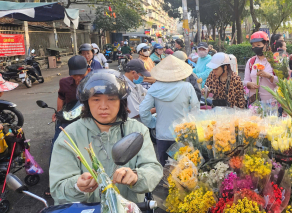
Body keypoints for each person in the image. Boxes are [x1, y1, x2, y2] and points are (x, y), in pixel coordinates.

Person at [49, 70, 163, 205]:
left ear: (122, 102)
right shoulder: (69, 136)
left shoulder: (137, 130)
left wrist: (136, 177)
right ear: (86, 103)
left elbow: (153, 170)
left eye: (111, 99)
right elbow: (58, 189)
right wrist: (77, 186)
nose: (103, 106)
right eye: (96, 99)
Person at [139, 56, 199, 165]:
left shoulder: (155, 88)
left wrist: (153, 123)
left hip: (162, 135)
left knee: (165, 168)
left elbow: (143, 110)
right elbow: (195, 109)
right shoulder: (187, 87)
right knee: (183, 170)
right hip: (182, 134)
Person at [244, 31, 278, 103]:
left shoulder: (275, 61)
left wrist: (270, 76)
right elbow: (245, 80)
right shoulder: (251, 61)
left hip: (270, 102)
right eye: (253, 46)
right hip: (254, 102)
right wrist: (249, 84)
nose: (255, 48)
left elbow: (281, 82)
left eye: (258, 45)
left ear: (266, 44)